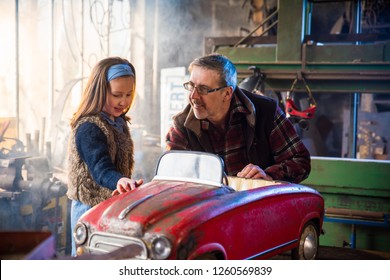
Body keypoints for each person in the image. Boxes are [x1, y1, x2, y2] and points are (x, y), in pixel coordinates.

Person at [165, 53, 310, 183]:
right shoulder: (182, 126)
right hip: (209, 209)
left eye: (203, 89)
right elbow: (168, 177)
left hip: (257, 205)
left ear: (227, 93)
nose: (193, 97)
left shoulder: (266, 111)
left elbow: (300, 161)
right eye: (191, 86)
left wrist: (268, 176)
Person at [66, 57, 143, 256]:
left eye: (128, 94)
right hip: (88, 209)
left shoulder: (117, 121)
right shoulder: (89, 127)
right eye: (117, 95)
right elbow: (101, 168)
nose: (124, 102)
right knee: (87, 262)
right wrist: (120, 180)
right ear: (99, 90)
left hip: (110, 205)